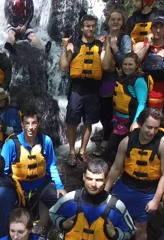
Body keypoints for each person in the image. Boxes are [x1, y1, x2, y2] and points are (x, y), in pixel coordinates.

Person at [105, 108, 164, 240]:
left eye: (156, 128)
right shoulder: (127, 141)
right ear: (140, 125)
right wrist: (105, 190)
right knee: (109, 215)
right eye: (149, 127)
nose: (152, 131)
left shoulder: (163, 144)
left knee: (140, 225)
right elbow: (115, 168)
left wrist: (156, 199)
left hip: (147, 190)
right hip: (126, 184)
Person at [1, 112, 66, 231]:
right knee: (4, 200)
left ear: (39, 124)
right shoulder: (11, 145)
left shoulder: (46, 141)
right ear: (22, 124)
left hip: (41, 184)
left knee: (62, 201)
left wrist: (59, 186)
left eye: (34, 123)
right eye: (27, 123)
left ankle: (49, 230)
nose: (30, 127)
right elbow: (2, 172)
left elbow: (51, 165)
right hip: (18, 187)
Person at [59, 14, 104, 167]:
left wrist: (110, 46)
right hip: (76, 90)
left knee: (88, 122)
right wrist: (64, 48)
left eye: (93, 26)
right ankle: (72, 151)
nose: (90, 28)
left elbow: (107, 65)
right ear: (82, 28)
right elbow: (64, 67)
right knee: (72, 122)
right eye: (87, 26)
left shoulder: (101, 45)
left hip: (93, 90)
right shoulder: (74, 45)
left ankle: (83, 151)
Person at [94, 9, 132, 157]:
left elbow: (128, 61)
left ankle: (108, 142)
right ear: (108, 21)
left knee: (112, 111)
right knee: (103, 111)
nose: (115, 22)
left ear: (122, 22)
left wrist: (114, 48)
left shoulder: (125, 38)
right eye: (113, 19)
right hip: (101, 78)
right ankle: (107, 136)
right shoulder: (102, 36)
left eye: (119, 19)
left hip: (116, 79)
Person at [104, 52, 150, 162]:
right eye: (125, 64)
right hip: (119, 119)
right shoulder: (123, 77)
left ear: (137, 65)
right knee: (113, 150)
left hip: (129, 121)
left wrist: (136, 122)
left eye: (130, 65)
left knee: (117, 150)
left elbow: (142, 103)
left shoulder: (139, 81)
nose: (127, 67)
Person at [133, 16, 164, 110]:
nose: (158, 30)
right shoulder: (140, 45)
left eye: (161, 27)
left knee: (153, 121)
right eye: (155, 27)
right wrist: (147, 45)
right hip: (139, 90)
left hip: (158, 92)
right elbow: (132, 64)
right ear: (151, 29)